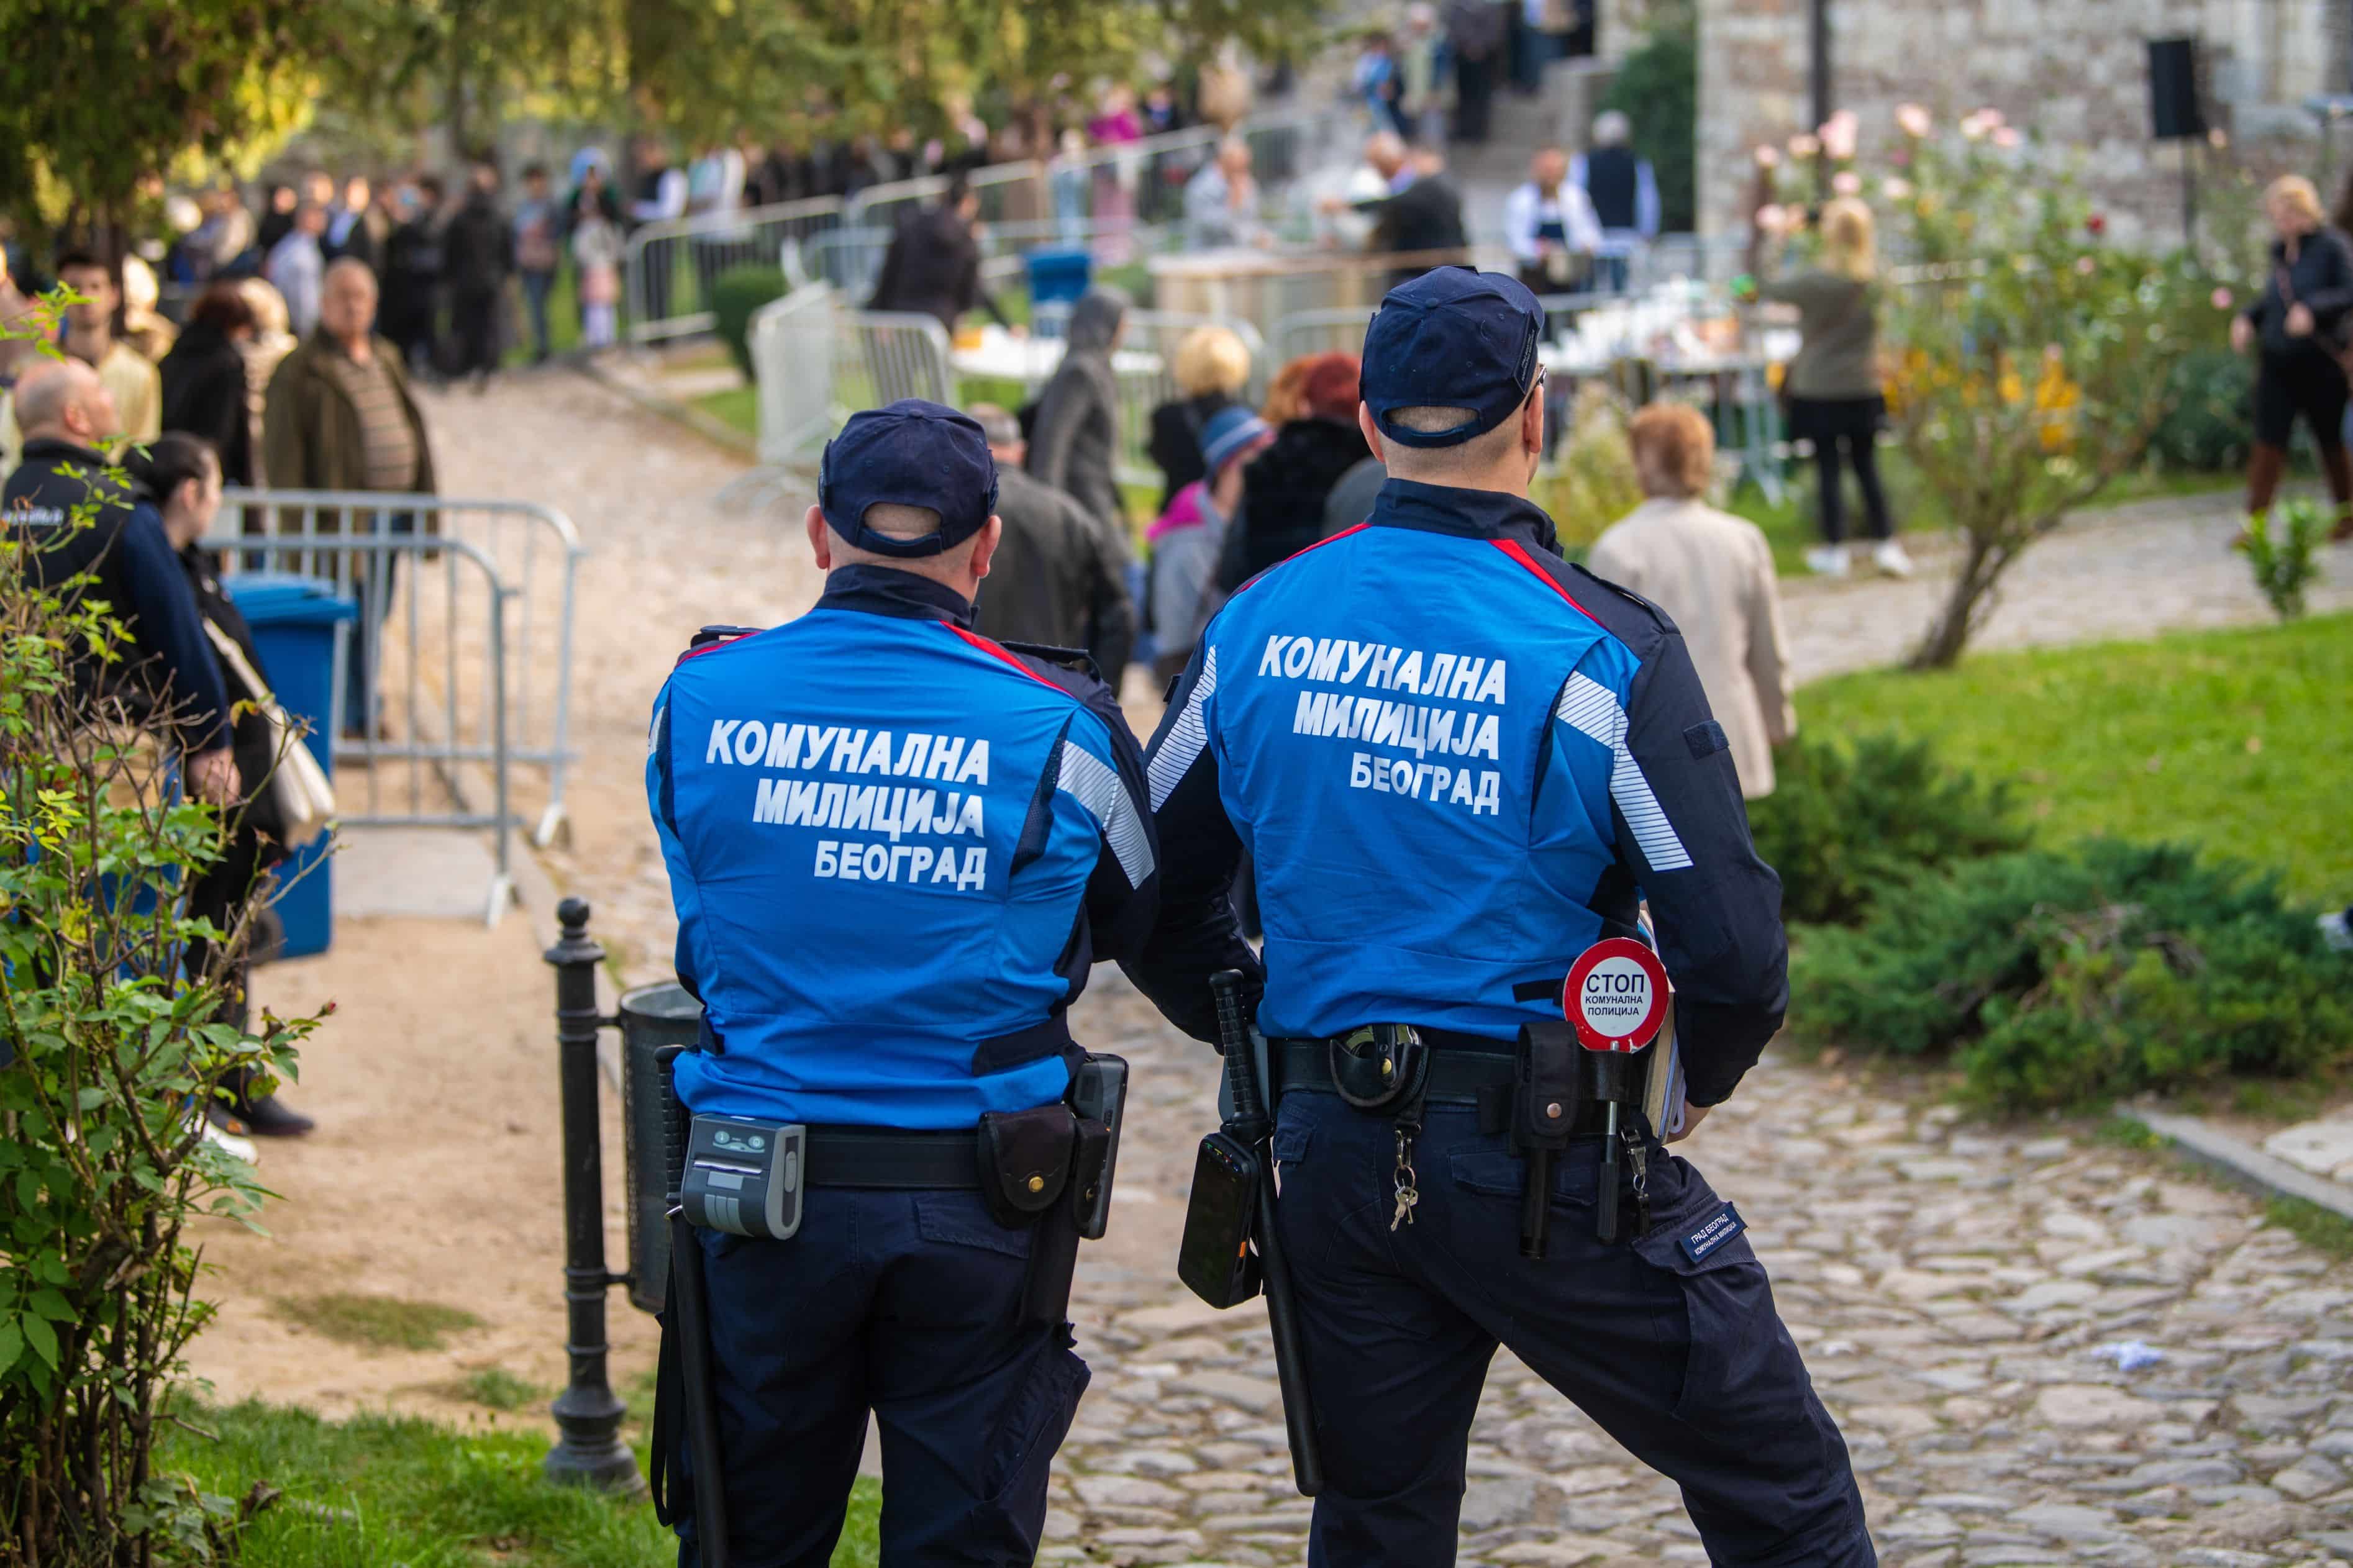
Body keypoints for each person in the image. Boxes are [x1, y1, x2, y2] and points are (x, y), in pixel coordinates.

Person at [1121, 266, 1873, 1568]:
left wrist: (1257, 1033)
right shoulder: (1600, 646)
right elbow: (1736, 951)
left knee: (1374, 1522)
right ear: (1539, 412)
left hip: (1335, 1154)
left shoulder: (1258, 627)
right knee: (1780, 1478)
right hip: (1550, 1156)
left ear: (1371, 424)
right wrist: (1688, 1080)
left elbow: (1144, 887)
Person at [644, 399, 1158, 1567]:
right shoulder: (1061, 725)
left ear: (819, 536)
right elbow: (1136, 911)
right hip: (977, 1197)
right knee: (961, 1538)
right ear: (986, 550)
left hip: (760, 1184)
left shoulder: (698, 700)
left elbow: (703, 867)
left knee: (749, 1536)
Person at [126, 432, 314, 1138]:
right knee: (208, 931)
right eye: (213, 486)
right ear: (189, 493)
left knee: (228, 927)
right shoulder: (159, 572)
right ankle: (203, 1088)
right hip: (210, 774)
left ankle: (230, 1080)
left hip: (240, 770)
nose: (220, 500)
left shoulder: (193, 566)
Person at [2, 359, 235, 809]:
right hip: (110, 744)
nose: (113, 400)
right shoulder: (117, 506)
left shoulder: (9, 501)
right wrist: (211, 741)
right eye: (102, 393)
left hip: (18, 739)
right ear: (76, 416)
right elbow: (178, 631)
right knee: (111, 878)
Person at [262, 259, 437, 733]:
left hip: (393, 513)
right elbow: (282, 456)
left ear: (374, 303)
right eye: (342, 296)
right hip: (340, 521)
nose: (352, 305)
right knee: (348, 618)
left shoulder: (385, 355)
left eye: (360, 295)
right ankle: (347, 715)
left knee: (376, 614)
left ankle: (364, 707)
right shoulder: (301, 369)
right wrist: (302, 525)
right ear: (323, 303)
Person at [1587, 402, 1795, 799]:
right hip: (1735, 730)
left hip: (1655, 746)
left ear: (1643, 463)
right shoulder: (1744, 539)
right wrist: (1777, 721)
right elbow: (1768, 648)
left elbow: (1607, 670)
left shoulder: (1619, 549)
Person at [1751, 191, 1906, 578]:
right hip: (1864, 383)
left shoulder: (1816, 281)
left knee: (1828, 468)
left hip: (1818, 385)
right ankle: (1886, 543)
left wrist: (1780, 236)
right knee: (1868, 466)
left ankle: (1835, 549)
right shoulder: (1876, 280)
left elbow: (1762, 284)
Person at [968, 402, 1136, 684]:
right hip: (1053, 690)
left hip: (972, 685)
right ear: (1020, 451)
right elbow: (1119, 615)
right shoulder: (1071, 514)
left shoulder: (955, 513)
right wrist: (1098, 693)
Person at [2232, 174, 2353, 541]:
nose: (2280, 221)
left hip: (2319, 362)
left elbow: (2348, 292)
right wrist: (2247, 317)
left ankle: (2347, 516)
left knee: (2330, 441)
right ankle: (2254, 525)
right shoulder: (2281, 252)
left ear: (2304, 210)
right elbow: (2274, 300)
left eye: (2287, 213)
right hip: (2278, 362)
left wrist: (2313, 311)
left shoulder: (2332, 247)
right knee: (2268, 440)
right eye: (2276, 214)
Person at [1216, 352, 1370, 591]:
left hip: (1275, 609)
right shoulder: (1375, 468)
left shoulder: (1267, 465)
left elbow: (1233, 568)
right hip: (1350, 611)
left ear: (1305, 403)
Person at [1147, 404, 1273, 684]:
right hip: (1199, 678)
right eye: (1255, 458)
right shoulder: (1187, 536)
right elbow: (1175, 635)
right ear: (1227, 465)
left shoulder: (1253, 520)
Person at [1026, 286, 1129, 536]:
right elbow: (1052, 444)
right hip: (1080, 500)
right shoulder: (1079, 372)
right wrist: (1050, 514)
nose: (1126, 332)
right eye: (1124, 324)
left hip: (1096, 495)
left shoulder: (1099, 366)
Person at [866, 174, 1010, 335]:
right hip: (940, 326)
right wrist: (1007, 323)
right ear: (969, 202)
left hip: (902, 322)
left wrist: (879, 313)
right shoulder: (965, 239)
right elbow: (973, 291)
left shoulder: (911, 225)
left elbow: (889, 275)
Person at [159, 283, 261, 486]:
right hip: (210, 468)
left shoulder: (173, 355)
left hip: (169, 461)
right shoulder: (227, 362)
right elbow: (230, 427)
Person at [57, 251, 164, 442]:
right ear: (59, 298)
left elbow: (144, 447)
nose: (85, 297)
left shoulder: (141, 374)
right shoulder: (33, 371)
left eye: (95, 287)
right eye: (74, 289)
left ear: (114, 295)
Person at [1147, 325, 1253, 512]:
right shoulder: (1247, 418)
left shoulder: (1165, 416)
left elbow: (1158, 457)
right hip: (1229, 516)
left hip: (1180, 515)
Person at [1570, 111, 1662, 293]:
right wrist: (1647, 232)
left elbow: (1575, 198)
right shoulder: (1637, 163)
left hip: (1596, 238)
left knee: (1591, 290)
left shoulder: (1584, 162)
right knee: (1618, 291)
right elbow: (1647, 202)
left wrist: (1577, 232)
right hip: (1621, 237)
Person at [442, 163, 512, 390]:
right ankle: (488, 367)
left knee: (469, 326)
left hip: (466, 281)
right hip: (491, 280)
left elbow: (450, 251)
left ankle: (471, 366)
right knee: (489, 327)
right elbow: (507, 250)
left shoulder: (460, 217)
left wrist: (450, 276)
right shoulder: (498, 215)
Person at [1504, 145, 1603, 297]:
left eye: (1556, 169)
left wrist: (1583, 246)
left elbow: (1592, 233)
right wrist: (1538, 250)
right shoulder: (1521, 200)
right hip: (1534, 280)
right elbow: (1514, 241)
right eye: (1547, 170)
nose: (1551, 176)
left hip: (1571, 278)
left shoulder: (1576, 198)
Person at [1365, 145, 1468, 285]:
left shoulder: (1432, 185)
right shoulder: (1441, 183)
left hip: (1431, 265)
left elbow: (1394, 203)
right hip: (1439, 264)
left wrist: (1348, 206)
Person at [380, 176, 445, 378]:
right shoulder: (396, 229)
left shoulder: (429, 225)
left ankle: (430, 365)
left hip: (424, 291)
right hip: (403, 293)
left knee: (426, 330)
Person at [511, 163, 563, 365]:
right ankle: (541, 346)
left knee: (540, 304)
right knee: (534, 305)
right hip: (527, 262)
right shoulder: (523, 207)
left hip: (544, 262)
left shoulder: (551, 206)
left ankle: (544, 346)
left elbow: (557, 232)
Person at [1183, 138, 1270, 252]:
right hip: (1207, 255)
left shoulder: (1245, 182)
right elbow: (1209, 227)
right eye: (1241, 166)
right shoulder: (1201, 187)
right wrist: (1233, 205)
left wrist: (1258, 235)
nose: (1245, 171)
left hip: (1239, 253)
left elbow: (1251, 219)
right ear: (1226, 162)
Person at [1445, 0, 1509, 144]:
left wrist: (1481, 47)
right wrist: (1467, 46)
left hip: (1486, 60)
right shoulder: (1458, 7)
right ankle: (1464, 130)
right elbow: (1455, 29)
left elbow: (1496, 32)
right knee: (1464, 96)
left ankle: (1479, 131)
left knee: (1482, 96)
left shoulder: (1493, 8)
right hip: (1463, 59)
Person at [266, 203, 330, 339]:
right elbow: (305, 299)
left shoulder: (288, 244)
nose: (324, 221)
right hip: (297, 324)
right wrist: (309, 331)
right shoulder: (303, 254)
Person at [1398, 4, 1452, 147]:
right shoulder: (1409, 42)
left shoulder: (1438, 41)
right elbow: (1404, 70)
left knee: (1433, 133)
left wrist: (1434, 91)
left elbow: (1442, 69)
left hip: (1433, 96)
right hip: (1414, 95)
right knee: (1414, 135)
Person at [572, 204, 625, 350]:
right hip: (602, 268)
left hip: (597, 269)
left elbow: (580, 251)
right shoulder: (605, 228)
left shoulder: (589, 229)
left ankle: (601, 338)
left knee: (599, 306)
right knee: (602, 306)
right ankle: (604, 337)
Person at [326, 176, 385, 273]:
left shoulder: (371, 220)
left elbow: (374, 253)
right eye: (348, 190)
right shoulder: (335, 216)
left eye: (355, 191)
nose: (349, 194)